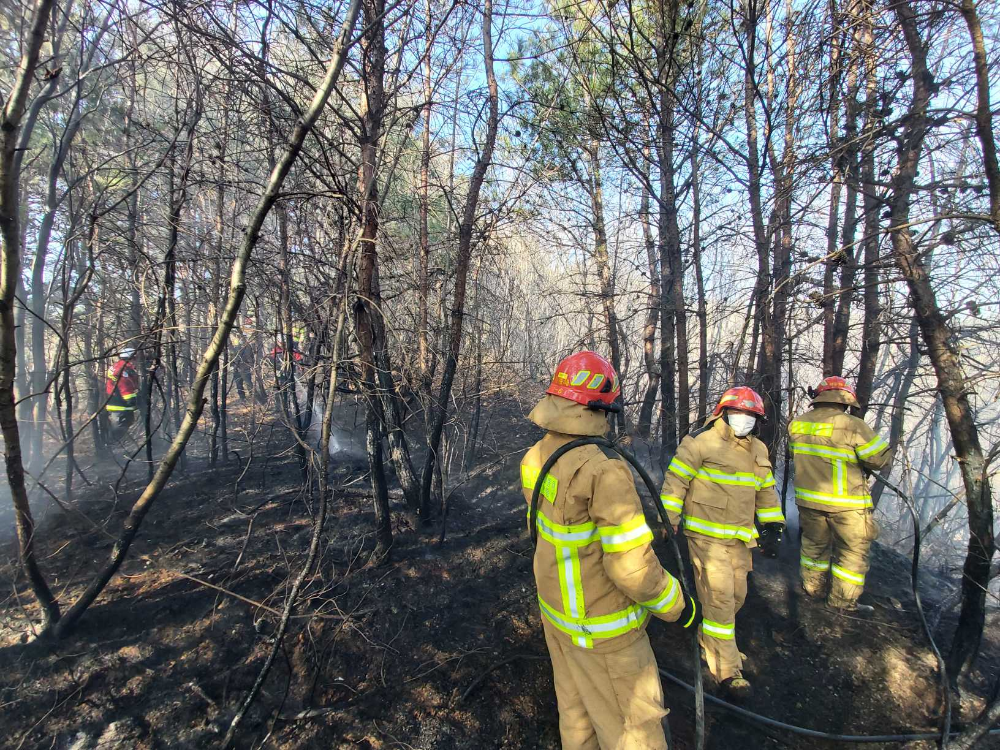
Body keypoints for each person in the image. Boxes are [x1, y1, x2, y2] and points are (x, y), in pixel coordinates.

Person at [521, 351, 699, 750]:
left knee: (578, 718)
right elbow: (632, 570)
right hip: (604, 632)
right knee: (633, 731)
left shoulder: (535, 457)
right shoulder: (604, 469)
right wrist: (679, 606)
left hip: (558, 617)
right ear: (602, 406)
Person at [659, 386, 784, 699]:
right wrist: (668, 521)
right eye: (739, 413)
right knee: (720, 600)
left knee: (737, 596)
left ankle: (711, 639)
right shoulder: (700, 443)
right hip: (705, 538)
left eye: (751, 415)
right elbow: (676, 483)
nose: (744, 420)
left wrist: (772, 525)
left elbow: (766, 491)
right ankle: (726, 670)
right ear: (724, 412)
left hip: (740, 539)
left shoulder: (758, 450)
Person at [789, 376, 892, 613]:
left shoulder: (797, 425)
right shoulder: (852, 425)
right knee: (852, 553)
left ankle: (813, 590)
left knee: (814, 546)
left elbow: (796, 452)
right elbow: (878, 459)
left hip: (809, 501)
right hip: (848, 505)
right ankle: (842, 604)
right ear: (846, 401)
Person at [105, 348, 139, 440]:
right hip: (121, 405)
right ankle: (111, 449)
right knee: (119, 430)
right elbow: (126, 389)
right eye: (136, 358)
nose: (137, 361)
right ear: (132, 358)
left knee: (120, 428)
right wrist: (136, 401)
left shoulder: (117, 366)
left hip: (115, 403)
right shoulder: (123, 371)